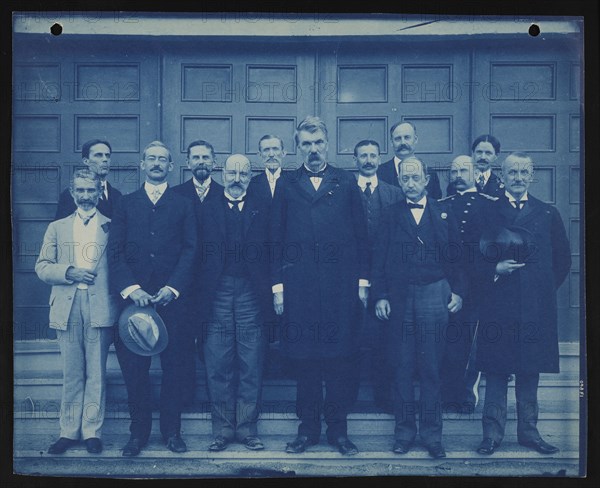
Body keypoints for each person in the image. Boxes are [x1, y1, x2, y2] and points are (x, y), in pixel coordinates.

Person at [270, 116, 369, 456]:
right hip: (300, 290)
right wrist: (278, 288)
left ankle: (338, 432)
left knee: (339, 360)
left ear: (327, 144)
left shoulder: (345, 181)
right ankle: (308, 430)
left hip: (340, 288)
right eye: (306, 145)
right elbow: (276, 239)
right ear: (298, 147)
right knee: (306, 362)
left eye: (318, 143)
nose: (313, 150)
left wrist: (362, 283)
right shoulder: (285, 184)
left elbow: (361, 235)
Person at [474, 152, 571, 456]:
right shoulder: (485, 211)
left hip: (533, 308)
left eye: (523, 172)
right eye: (511, 172)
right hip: (498, 304)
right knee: (496, 369)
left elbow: (563, 260)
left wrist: (538, 289)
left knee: (530, 370)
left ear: (532, 177)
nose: (517, 177)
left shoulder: (546, 213)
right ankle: (491, 435)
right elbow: (469, 256)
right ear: (501, 177)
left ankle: (529, 433)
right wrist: (493, 270)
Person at [372, 156, 467, 459]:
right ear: (399, 181)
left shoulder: (443, 212)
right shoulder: (389, 215)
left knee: (431, 367)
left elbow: (458, 257)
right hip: (399, 296)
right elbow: (378, 258)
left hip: (434, 293)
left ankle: (432, 436)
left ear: (427, 180)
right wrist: (381, 295)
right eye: (405, 179)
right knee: (401, 366)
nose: (410, 184)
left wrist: (459, 292)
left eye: (415, 178)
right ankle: (404, 433)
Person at [108, 140, 197, 456]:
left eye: (163, 159)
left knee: (175, 370)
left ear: (171, 166)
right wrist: (133, 290)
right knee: (135, 372)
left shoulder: (183, 204)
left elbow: (191, 249)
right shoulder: (126, 204)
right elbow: (115, 252)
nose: (157, 163)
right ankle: (138, 434)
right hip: (133, 305)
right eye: (152, 159)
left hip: (173, 304)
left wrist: (172, 289)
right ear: (142, 164)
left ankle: (172, 432)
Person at [36, 169, 118, 455]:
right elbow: (42, 266)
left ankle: (92, 430)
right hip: (67, 307)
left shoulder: (112, 225)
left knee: (96, 372)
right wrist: (69, 272)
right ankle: (68, 430)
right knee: (72, 372)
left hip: (100, 307)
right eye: (80, 191)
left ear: (99, 192)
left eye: (90, 191)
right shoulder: (57, 227)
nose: (85, 196)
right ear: (72, 194)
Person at [199, 154, 272, 452]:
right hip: (216, 292)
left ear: (250, 175)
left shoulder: (263, 208)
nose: (237, 178)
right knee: (218, 361)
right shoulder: (205, 208)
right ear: (223, 173)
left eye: (243, 172)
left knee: (250, 361)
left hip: (250, 293)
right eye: (232, 172)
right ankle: (222, 430)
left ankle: (246, 429)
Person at [438, 155, 497, 413]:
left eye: (464, 170)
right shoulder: (441, 204)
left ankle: (466, 395)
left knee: (471, 340)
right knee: (447, 340)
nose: (458, 175)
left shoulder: (490, 205)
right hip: (445, 283)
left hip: (478, 284)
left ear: (476, 173)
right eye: (454, 171)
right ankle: (446, 393)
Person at [352, 139, 403, 413]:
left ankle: (384, 397)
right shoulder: (345, 190)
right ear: (356, 160)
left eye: (373, 155)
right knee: (351, 336)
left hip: (386, 279)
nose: (369, 160)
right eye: (363, 156)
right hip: (351, 277)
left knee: (385, 340)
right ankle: (348, 397)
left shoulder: (394, 193)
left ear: (379, 158)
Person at [172, 139, 224, 398]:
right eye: (196, 157)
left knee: (214, 338)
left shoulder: (225, 193)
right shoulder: (176, 195)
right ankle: (186, 394)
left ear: (214, 162)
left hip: (217, 281)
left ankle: (215, 396)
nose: (201, 162)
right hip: (183, 281)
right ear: (188, 163)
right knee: (182, 339)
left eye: (206, 157)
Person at [55, 139, 122, 220]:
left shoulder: (117, 195)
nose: (105, 159)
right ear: (86, 161)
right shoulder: (70, 195)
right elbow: (62, 228)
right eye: (98, 155)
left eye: (107, 155)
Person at [377, 121, 442, 199]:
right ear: (391, 142)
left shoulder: (431, 174)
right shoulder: (379, 173)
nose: (403, 142)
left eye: (407, 137)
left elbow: (435, 206)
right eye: (398, 139)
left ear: (415, 139)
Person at [248, 134, 291, 201]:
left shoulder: (294, 182)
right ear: (260, 155)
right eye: (266, 150)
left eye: (275, 149)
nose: (271, 154)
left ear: (283, 153)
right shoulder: (251, 183)